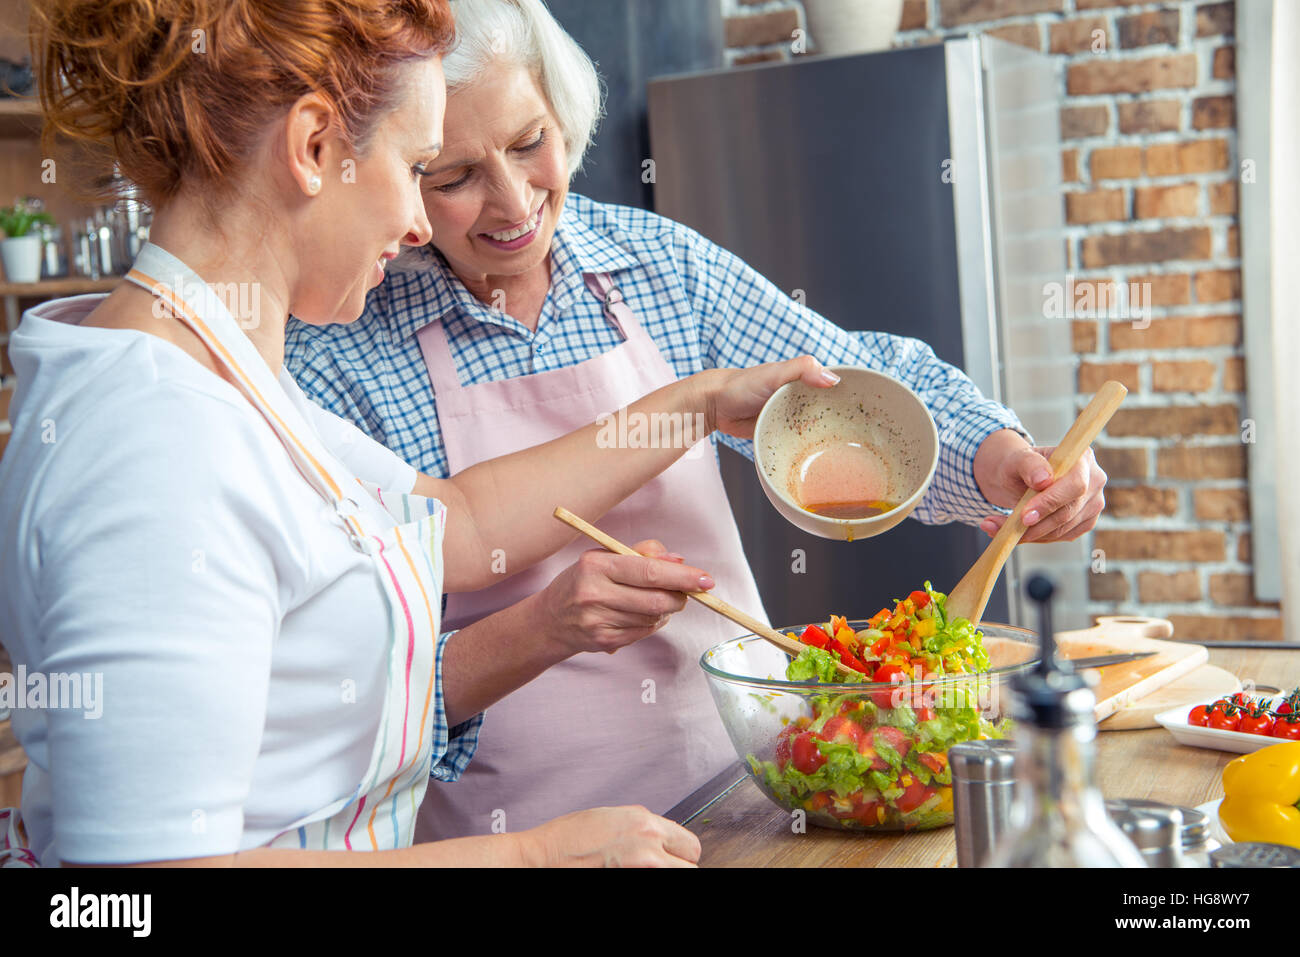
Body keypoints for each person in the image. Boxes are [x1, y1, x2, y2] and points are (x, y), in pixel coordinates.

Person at [0, 0, 839, 868]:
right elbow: (128, 893)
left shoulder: (230, 375)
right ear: (315, 146)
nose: (415, 229)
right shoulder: (155, 441)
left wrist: (695, 401)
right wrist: (533, 858)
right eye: (419, 165)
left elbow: (463, 525)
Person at [283, 0, 1110, 842]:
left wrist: (995, 456)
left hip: (747, 801)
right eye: (453, 176)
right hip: (522, 843)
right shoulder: (344, 351)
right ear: (400, 179)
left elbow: (854, 386)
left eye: (531, 142)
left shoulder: (655, 267)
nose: (512, 201)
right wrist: (543, 627)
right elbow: (359, 694)